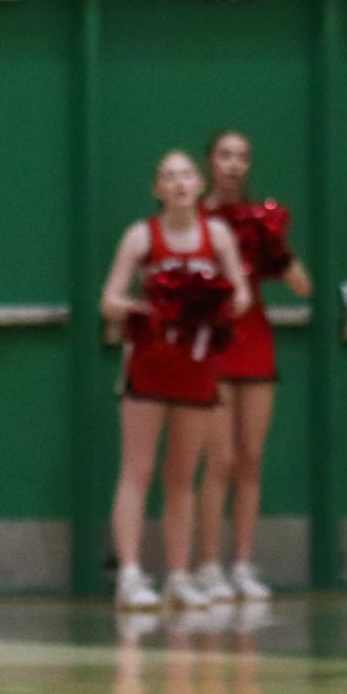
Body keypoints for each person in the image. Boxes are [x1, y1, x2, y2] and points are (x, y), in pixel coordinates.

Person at [102, 151, 252, 610]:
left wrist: (210, 307)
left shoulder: (218, 236)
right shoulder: (141, 236)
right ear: (157, 190)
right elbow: (108, 300)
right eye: (168, 175)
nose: (179, 182)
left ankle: (179, 575)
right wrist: (149, 311)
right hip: (149, 364)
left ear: (200, 184)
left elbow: (242, 296)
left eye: (186, 174)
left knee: (183, 476)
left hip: (198, 365)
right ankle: (129, 574)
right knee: (138, 470)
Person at [193, 130, 312, 603]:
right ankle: (206, 566)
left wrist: (277, 249)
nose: (234, 165)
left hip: (255, 341)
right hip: (213, 342)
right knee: (218, 459)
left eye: (243, 156)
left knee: (250, 458)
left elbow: (304, 286)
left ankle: (242, 564)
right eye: (225, 155)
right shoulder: (196, 220)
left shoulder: (261, 220)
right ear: (209, 162)